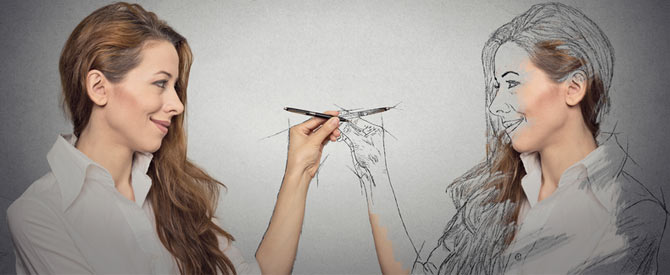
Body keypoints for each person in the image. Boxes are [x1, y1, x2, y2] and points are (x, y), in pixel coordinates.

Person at [6, 3, 341, 274]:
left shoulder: (176, 194)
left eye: (176, 87)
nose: (177, 104)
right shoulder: (38, 214)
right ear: (99, 87)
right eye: (160, 83)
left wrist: (299, 170)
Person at [341, 2, 667, 274]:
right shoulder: (493, 197)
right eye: (496, 86)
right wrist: (374, 169)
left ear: (574, 87)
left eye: (511, 83)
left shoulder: (629, 214)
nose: (496, 107)